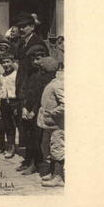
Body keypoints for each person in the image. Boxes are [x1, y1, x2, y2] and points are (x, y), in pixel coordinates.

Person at [17, 44, 54, 176]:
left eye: (38, 59)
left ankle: (36, 164)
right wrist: (24, 108)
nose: (35, 62)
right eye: (33, 59)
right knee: (28, 136)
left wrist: (33, 110)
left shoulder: (47, 76)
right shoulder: (32, 74)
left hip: (39, 111)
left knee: (37, 138)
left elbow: (41, 96)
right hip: (29, 110)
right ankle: (28, 161)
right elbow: (27, 92)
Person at [36, 57, 65, 187]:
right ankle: (53, 172)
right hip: (48, 123)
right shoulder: (50, 83)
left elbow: (65, 104)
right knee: (48, 147)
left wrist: (53, 112)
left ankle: (58, 177)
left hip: (56, 125)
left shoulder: (57, 85)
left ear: (46, 72)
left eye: (42, 71)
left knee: (57, 148)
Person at [0, 52, 19, 159]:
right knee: (8, 125)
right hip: (4, 102)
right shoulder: (1, 77)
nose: (6, 64)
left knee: (17, 124)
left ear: (12, 62)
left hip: (15, 102)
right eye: (3, 62)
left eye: (8, 62)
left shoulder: (16, 75)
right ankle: (10, 146)